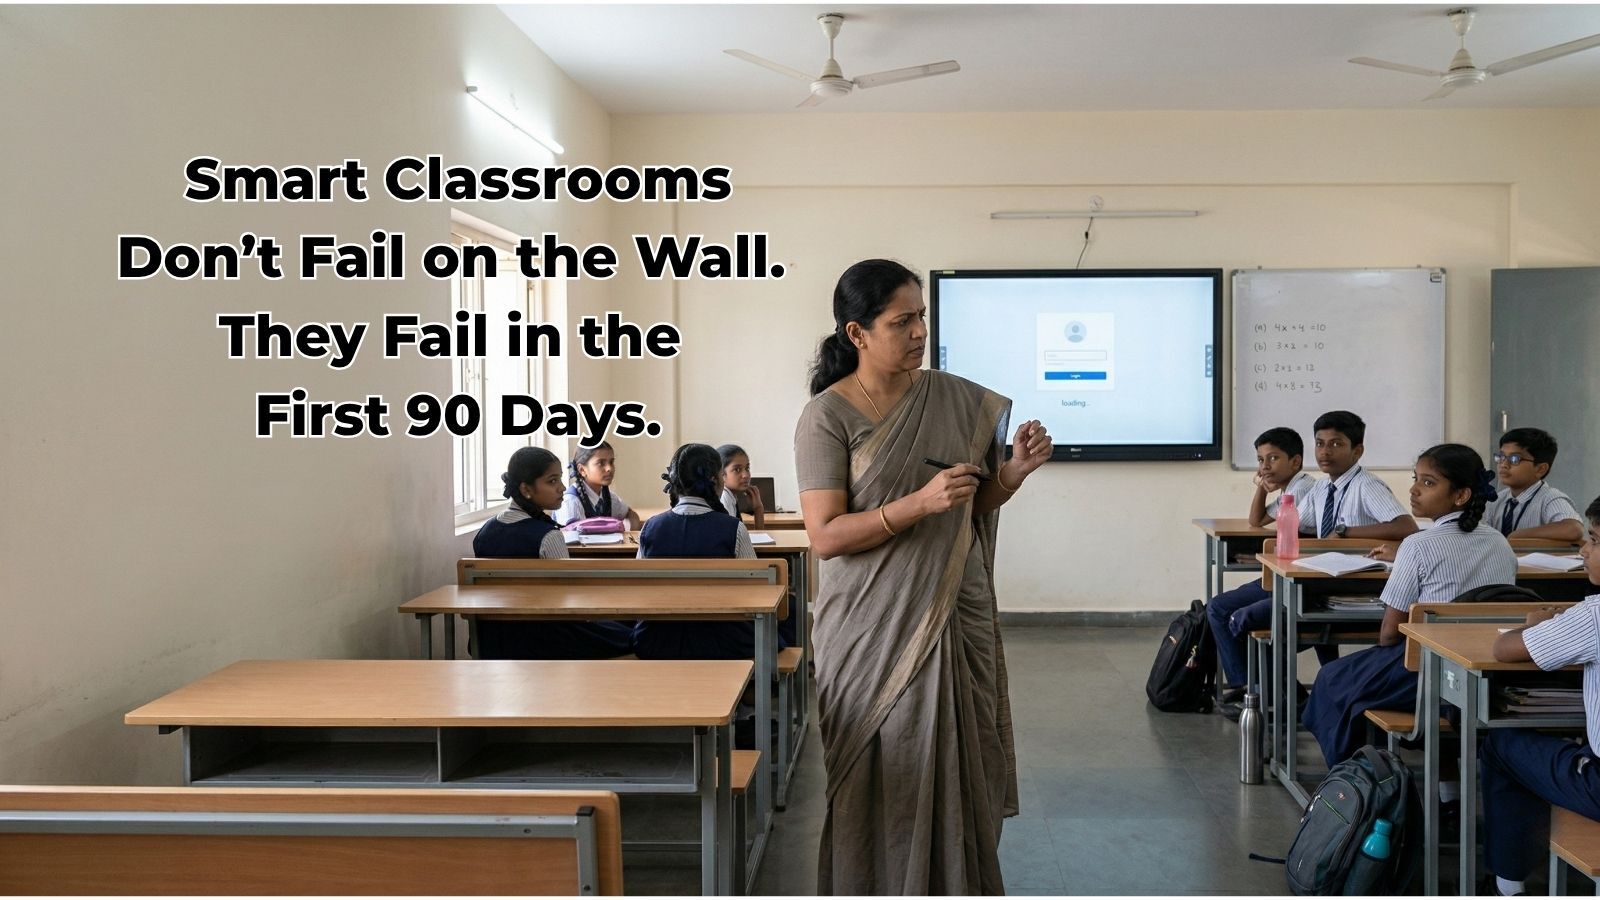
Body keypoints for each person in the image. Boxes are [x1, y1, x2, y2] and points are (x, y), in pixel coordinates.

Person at [794, 258, 1052, 894]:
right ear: (857, 333)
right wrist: (918, 503)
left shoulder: (956, 398)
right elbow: (826, 536)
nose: (918, 332)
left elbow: (971, 502)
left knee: (964, 767)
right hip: (869, 626)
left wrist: (1012, 472)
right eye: (901, 320)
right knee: (886, 769)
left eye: (921, 317)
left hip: (951, 610)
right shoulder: (827, 418)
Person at [1302, 443, 1515, 770]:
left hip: (1424, 672)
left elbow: (1389, 634)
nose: (1414, 490)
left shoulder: (1416, 546)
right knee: (1351, 683)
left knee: (1332, 679)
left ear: (1460, 495)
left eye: (1428, 483)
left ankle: (1354, 781)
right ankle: (1445, 792)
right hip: (1480, 671)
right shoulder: (1500, 543)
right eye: (1416, 479)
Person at [1480, 495, 1600, 897]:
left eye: (1596, 541)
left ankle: (1507, 884)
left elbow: (1504, 650)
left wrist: (1534, 625)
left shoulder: (1594, 616)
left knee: (1502, 744)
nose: (1584, 549)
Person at [471, 446, 634, 660]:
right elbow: (570, 600)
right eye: (552, 481)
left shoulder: (485, 532)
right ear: (526, 489)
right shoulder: (547, 536)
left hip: (493, 640)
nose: (562, 488)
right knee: (635, 632)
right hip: (548, 639)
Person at [1207, 427, 1319, 717]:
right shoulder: (1290, 489)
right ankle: (1252, 687)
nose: (1265, 466)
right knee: (1219, 608)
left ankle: (1252, 689)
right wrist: (1260, 485)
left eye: (1273, 459)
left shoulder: (1303, 489)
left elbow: (1297, 533)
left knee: (1221, 610)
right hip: (1286, 574)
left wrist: (1263, 556)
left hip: (1297, 580)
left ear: (1295, 462)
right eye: (1260, 460)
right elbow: (1256, 521)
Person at [633, 442, 776, 660]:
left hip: (658, 639)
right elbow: (755, 589)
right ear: (716, 479)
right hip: (722, 639)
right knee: (780, 630)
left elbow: (640, 588)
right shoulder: (732, 528)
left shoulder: (650, 527)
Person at [1483, 427, 1584, 542]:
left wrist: (1515, 536)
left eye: (1514, 459)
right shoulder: (1496, 500)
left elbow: (1573, 529)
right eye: (1501, 457)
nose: (1503, 464)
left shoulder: (1550, 498)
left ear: (1540, 469)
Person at [554, 442, 642, 529]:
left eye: (611, 462)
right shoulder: (570, 502)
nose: (609, 468)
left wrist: (631, 533)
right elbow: (568, 540)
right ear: (582, 470)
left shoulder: (609, 498)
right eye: (601, 463)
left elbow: (631, 514)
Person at [717, 443, 766, 529]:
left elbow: (759, 537)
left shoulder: (730, 497)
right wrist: (758, 509)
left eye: (747, 468)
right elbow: (732, 541)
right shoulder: (724, 499)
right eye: (737, 469)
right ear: (721, 474)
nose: (745, 475)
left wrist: (758, 508)